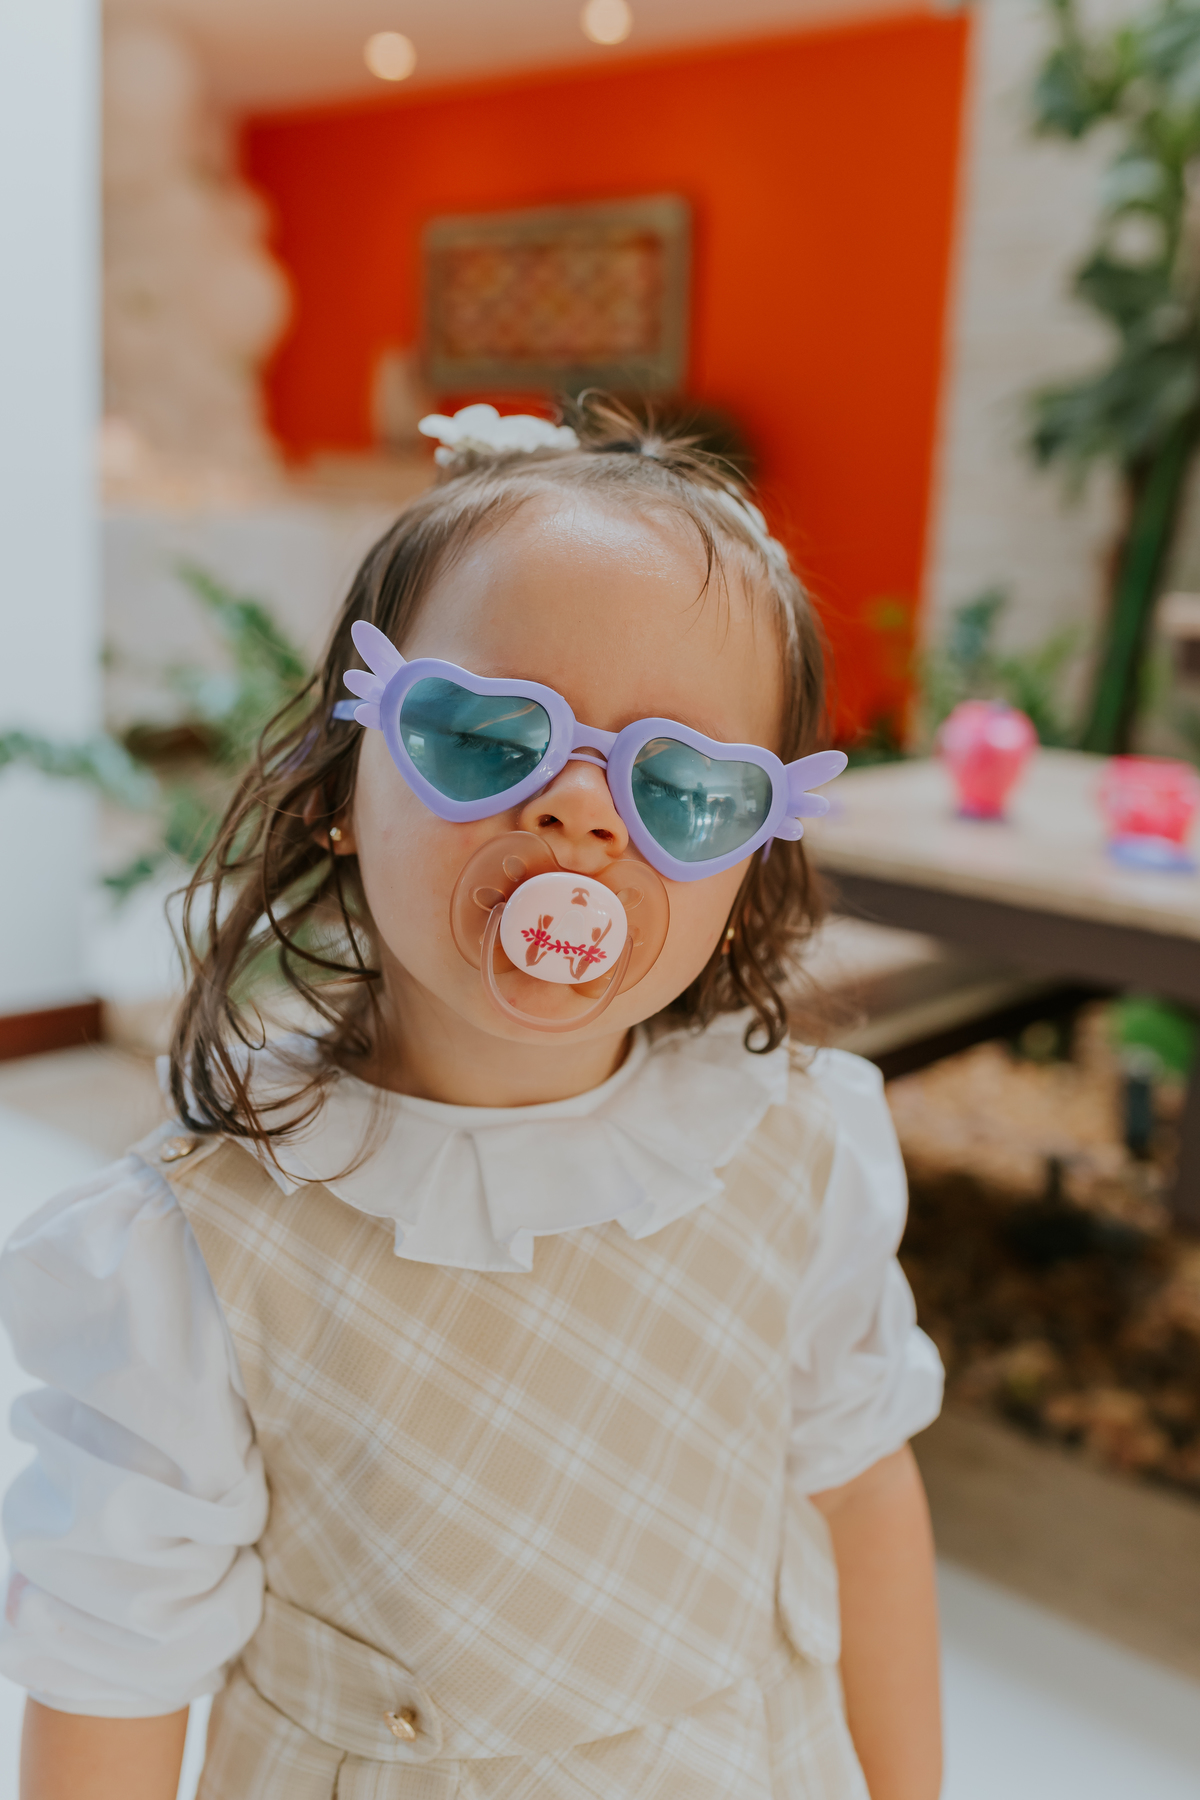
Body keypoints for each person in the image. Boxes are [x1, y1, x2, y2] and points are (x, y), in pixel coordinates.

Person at [2, 400, 944, 1800]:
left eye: (682, 788)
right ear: (342, 780)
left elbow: (863, 1499)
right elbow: (110, 1683)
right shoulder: (197, 1255)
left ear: (749, 860)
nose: (579, 815)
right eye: (488, 738)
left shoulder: (795, 1154)